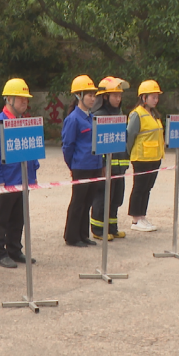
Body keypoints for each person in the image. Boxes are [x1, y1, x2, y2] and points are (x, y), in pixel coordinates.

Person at [0, 78, 40, 268]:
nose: (25, 102)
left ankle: (15, 249)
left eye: (26, 99)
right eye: (20, 98)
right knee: (2, 218)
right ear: (9, 99)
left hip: (23, 179)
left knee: (18, 217)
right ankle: (0, 253)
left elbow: (32, 151)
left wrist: (32, 175)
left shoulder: (24, 122)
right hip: (7, 180)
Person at [61, 75, 103, 248]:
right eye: (89, 95)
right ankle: (72, 236)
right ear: (79, 96)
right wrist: (73, 165)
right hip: (81, 166)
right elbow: (67, 146)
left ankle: (83, 234)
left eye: (94, 95)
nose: (93, 99)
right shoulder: (73, 119)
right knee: (78, 202)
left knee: (88, 202)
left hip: (94, 165)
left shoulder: (91, 117)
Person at [90, 76, 131, 241]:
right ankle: (98, 230)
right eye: (115, 95)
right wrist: (101, 165)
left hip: (119, 166)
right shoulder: (98, 116)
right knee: (102, 198)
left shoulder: (119, 114)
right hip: (105, 167)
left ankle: (112, 228)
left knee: (116, 198)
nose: (118, 99)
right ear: (105, 97)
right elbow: (96, 145)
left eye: (120, 95)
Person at [127, 79, 165, 232]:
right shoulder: (137, 114)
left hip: (154, 157)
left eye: (157, 97)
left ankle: (142, 216)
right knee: (139, 188)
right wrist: (128, 154)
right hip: (142, 158)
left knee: (147, 188)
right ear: (144, 97)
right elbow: (130, 136)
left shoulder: (154, 114)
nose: (156, 100)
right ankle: (136, 219)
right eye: (153, 97)